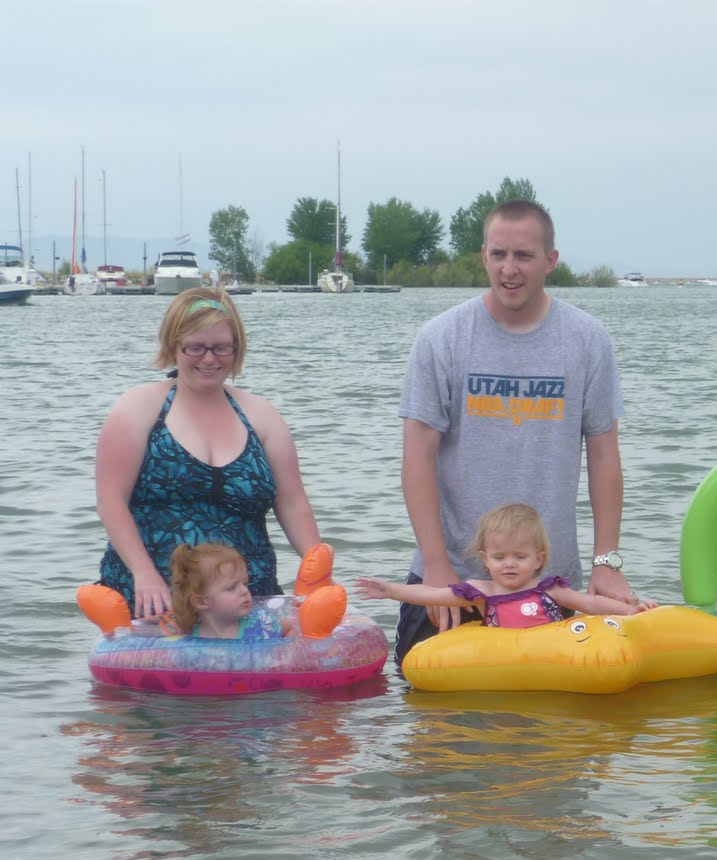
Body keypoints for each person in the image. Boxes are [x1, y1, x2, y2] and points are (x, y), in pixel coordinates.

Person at [395, 198, 638, 671]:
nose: (509, 269)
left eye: (524, 255)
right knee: (429, 707)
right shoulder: (441, 338)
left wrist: (606, 562)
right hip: (453, 579)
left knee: (556, 712)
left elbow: (604, 456)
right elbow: (417, 457)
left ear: (550, 260)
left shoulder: (587, 339)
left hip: (549, 584)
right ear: (483, 256)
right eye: (499, 254)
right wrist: (436, 565)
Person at [91, 287, 322, 620]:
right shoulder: (138, 409)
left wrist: (318, 574)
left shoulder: (262, 416)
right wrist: (143, 573)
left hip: (248, 599)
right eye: (195, 347)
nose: (210, 359)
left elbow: (293, 503)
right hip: (154, 598)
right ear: (173, 346)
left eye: (221, 347)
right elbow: (111, 502)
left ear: (236, 348)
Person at [357, 503, 653, 630]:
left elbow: (590, 603)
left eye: (520, 557)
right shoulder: (481, 592)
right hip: (503, 659)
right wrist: (390, 590)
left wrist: (630, 612)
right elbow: (432, 594)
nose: (509, 564)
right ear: (485, 558)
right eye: (499, 557)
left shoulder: (549, 590)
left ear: (539, 559)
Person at [167, 542, 347, 640]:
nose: (244, 591)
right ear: (201, 602)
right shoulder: (191, 633)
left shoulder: (260, 623)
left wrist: (287, 653)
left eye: (245, 583)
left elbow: (290, 629)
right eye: (231, 588)